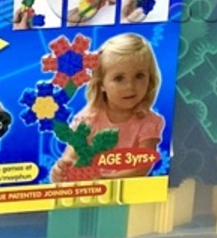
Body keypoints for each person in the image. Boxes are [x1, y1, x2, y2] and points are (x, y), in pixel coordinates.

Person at [49, 33, 165, 182]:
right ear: (101, 84)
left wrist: (106, 179)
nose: (130, 86)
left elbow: (142, 167)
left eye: (139, 76)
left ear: (150, 78)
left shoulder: (148, 123)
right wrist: (60, 171)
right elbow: (70, 158)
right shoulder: (88, 118)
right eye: (119, 78)